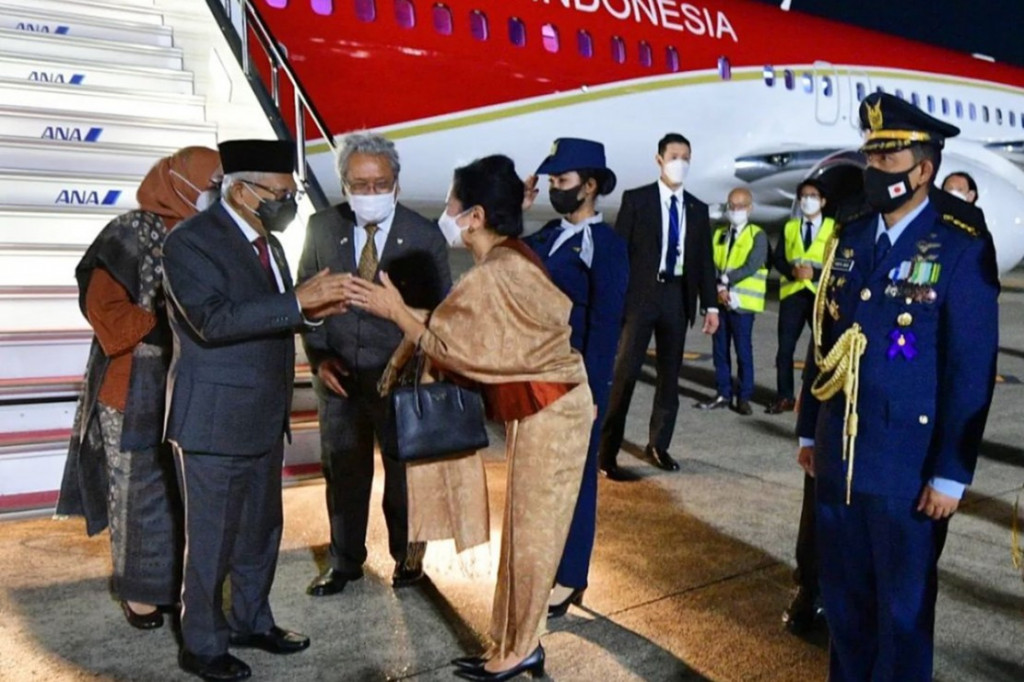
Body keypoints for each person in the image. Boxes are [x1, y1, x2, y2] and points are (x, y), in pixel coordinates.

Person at [348, 155, 594, 682]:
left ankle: (521, 647)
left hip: (555, 412)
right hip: (543, 409)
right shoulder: (504, 261)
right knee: (523, 536)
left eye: (452, 205)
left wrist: (396, 312)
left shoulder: (498, 273)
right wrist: (405, 318)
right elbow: (454, 329)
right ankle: (510, 641)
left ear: (476, 216)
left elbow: (447, 343)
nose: (446, 213)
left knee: (534, 538)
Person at [797, 93, 999, 681]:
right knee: (845, 610)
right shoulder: (851, 233)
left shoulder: (959, 243)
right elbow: (825, 336)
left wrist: (951, 473)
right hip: (839, 460)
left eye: (889, 158)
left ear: (923, 169)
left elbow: (970, 368)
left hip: (909, 471)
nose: (875, 169)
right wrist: (810, 429)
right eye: (872, 156)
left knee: (904, 617)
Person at [162, 139, 352, 682]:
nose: (287, 203)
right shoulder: (190, 242)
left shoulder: (265, 242)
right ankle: (201, 644)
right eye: (281, 194)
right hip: (215, 421)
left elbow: (269, 316)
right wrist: (298, 302)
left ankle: (250, 620)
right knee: (211, 542)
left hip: (264, 417)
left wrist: (312, 314)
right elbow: (213, 321)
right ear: (241, 190)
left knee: (260, 532)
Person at [57, 146, 221, 630]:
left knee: (183, 493)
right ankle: (141, 594)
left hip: (193, 382)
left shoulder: (212, 234)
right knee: (139, 492)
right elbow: (103, 307)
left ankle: (177, 585)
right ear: (180, 182)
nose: (216, 193)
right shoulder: (129, 232)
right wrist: (163, 324)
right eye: (210, 184)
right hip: (132, 387)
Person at [298, 131, 452, 597]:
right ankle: (344, 560)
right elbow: (306, 296)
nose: (370, 194)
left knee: (405, 475)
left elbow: (440, 313)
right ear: (343, 184)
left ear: (396, 184)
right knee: (343, 471)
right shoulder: (321, 227)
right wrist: (320, 357)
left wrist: (414, 364)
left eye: (379, 184)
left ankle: (408, 559)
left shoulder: (423, 235)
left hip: (400, 378)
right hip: (340, 378)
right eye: (359, 186)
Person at [523, 138, 628, 618]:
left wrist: (593, 393)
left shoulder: (606, 247)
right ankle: (550, 562)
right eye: (549, 182)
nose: (553, 190)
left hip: (577, 379)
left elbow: (606, 326)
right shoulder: (548, 234)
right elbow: (506, 260)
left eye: (561, 183)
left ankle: (570, 576)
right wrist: (515, 209)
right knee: (544, 477)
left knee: (578, 478)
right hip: (540, 374)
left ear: (589, 187)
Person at [597, 133, 719, 480]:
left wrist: (710, 306)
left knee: (669, 379)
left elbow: (705, 263)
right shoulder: (637, 200)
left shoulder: (697, 208)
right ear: (659, 159)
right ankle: (607, 452)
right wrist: (615, 298)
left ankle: (658, 445)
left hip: (677, 298)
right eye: (675, 156)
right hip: (641, 297)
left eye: (686, 157)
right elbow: (620, 254)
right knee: (625, 374)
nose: (681, 163)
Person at [766, 179, 836, 415]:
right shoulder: (790, 227)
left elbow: (839, 261)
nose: (808, 200)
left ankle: (820, 396)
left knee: (822, 348)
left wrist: (814, 273)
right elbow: (778, 259)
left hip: (819, 294)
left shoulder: (833, 228)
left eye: (813, 196)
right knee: (785, 350)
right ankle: (784, 396)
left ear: (823, 201)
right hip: (793, 294)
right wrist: (791, 272)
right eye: (804, 196)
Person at [696, 188, 767, 415]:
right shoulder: (719, 234)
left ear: (750, 208)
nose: (735, 210)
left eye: (740, 206)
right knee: (719, 351)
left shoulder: (757, 234)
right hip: (720, 300)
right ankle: (723, 393)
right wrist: (719, 287)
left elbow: (753, 264)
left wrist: (726, 280)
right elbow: (710, 262)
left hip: (742, 303)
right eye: (732, 206)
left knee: (743, 351)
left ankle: (744, 396)